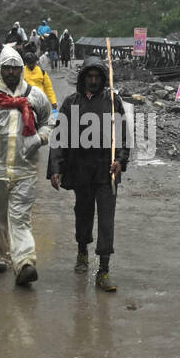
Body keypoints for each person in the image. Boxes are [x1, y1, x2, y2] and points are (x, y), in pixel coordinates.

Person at [0, 45, 53, 286]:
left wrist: (39, 138)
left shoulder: (35, 96)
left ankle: (25, 262)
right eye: (6, 68)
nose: (11, 72)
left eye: (15, 68)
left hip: (25, 169)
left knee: (20, 218)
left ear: (21, 70)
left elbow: (50, 121)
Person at [48, 57, 130, 291]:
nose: (93, 81)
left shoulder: (113, 102)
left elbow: (124, 135)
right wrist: (56, 167)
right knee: (83, 214)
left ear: (103, 78)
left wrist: (120, 160)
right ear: (83, 78)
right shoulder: (71, 103)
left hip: (107, 171)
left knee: (106, 220)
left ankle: (103, 270)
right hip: (81, 169)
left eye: (97, 77)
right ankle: (82, 251)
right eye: (89, 76)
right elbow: (59, 137)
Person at [21, 48, 58, 115]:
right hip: (26, 101)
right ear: (26, 63)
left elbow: (48, 88)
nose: (31, 65)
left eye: (33, 63)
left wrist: (53, 101)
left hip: (40, 101)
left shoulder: (42, 72)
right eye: (29, 63)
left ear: (36, 62)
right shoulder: (21, 72)